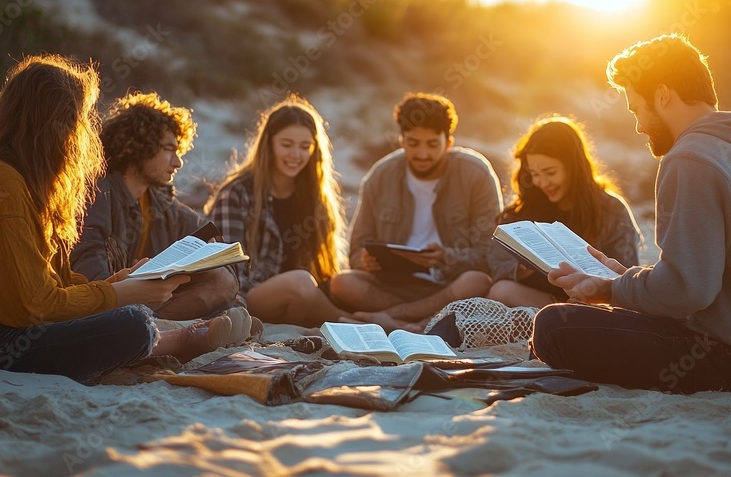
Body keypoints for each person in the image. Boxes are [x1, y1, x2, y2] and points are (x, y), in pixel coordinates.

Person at [531, 34, 731, 393]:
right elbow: (704, 277)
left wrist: (609, 291)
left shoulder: (690, 158)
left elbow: (689, 292)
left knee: (554, 327)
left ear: (663, 94)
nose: (639, 125)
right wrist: (625, 278)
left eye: (636, 109)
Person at [0, 55, 242, 383]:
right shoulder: (1, 183)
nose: (84, 134)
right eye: (79, 120)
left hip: (15, 328)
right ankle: (177, 340)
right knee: (130, 325)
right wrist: (123, 294)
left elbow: (55, 284)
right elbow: (31, 307)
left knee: (126, 319)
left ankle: (171, 336)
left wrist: (116, 283)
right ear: (52, 124)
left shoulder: (32, 186)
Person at [329, 93, 502, 331]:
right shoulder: (380, 176)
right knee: (342, 283)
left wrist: (446, 257)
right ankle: (420, 321)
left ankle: (393, 319)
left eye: (432, 144)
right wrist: (365, 261)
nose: (422, 154)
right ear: (401, 140)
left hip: (450, 284)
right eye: (413, 143)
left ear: (448, 143)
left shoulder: (476, 174)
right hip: (395, 286)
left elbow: (490, 254)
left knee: (478, 282)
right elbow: (357, 250)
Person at [70, 92, 240, 320]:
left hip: (147, 303)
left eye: (178, 152)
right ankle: (160, 328)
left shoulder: (162, 203)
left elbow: (207, 236)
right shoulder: (98, 192)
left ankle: (169, 326)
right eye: (168, 150)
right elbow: (89, 268)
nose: (178, 162)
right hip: (108, 302)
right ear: (138, 145)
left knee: (221, 279)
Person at [204, 95, 349, 327]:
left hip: (298, 301)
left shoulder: (312, 195)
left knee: (346, 283)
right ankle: (352, 322)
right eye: (286, 144)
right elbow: (229, 272)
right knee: (300, 283)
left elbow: (320, 268)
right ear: (269, 144)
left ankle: (359, 320)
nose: (296, 155)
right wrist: (240, 317)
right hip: (248, 298)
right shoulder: (236, 194)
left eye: (305, 147)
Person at [487, 116, 641, 308]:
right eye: (534, 174)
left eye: (550, 172)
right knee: (500, 290)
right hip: (542, 300)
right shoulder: (526, 206)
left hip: (593, 305)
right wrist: (522, 267)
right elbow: (496, 260)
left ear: (573, 167)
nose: (542, 183)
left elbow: (628, 274)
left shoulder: (611, 209)